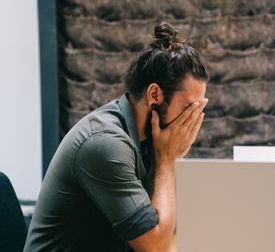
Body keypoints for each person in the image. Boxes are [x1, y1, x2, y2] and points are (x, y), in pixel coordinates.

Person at [24, 22, 209, 252]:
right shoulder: (106, 143)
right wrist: (168, 159)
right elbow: (155, 245)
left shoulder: (149, 141)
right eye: (188, 108)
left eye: (198, 109)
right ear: (154, 95)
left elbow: (174, 224)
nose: (192, 119)